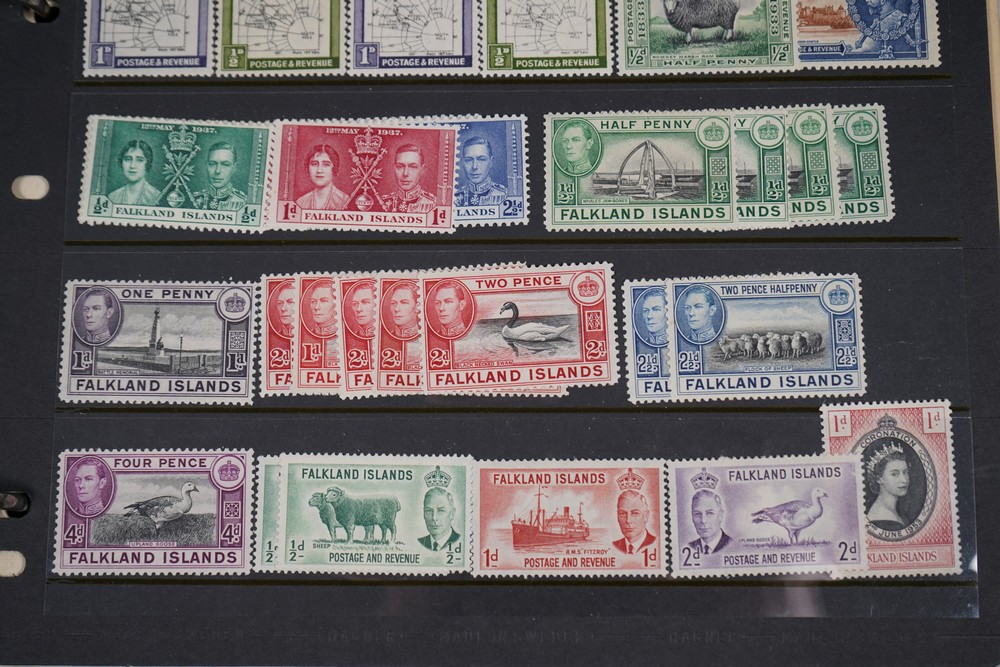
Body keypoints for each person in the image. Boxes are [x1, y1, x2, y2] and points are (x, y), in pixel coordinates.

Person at [193, 141, 247, 211]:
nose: (217, 171)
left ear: (234, 168)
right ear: (206, 165)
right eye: (212, 164)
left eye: (225, 165)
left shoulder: (244, 202)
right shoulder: (194, 199)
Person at [383, 144, 436, 213]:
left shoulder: (434, 204)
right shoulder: (382, 202)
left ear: (422, 170)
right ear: (394, 168)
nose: (405, 173)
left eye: (413, 167)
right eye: (400, 166)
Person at [866, 450, 911, 531]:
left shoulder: (896, 511)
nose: (904, 480)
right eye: (894, 474)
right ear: (879, 478)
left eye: (905, 472)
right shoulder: (881, 520)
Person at [455, 137, 507, 206]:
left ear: (491, 162)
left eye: (481, 159)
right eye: (468, 160)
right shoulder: (456, 197)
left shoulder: (505, 195)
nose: (474, 167)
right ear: (462, 163)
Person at [295, 144, 350, 210]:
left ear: (334, 168)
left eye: (326, 165)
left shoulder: (345, 201)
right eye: (314, 164)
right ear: (308, 167)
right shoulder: (301, 202)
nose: (319, 170)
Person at [107, 140, 162, 206]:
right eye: (127, 159)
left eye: (139, 160)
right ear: (121, 163)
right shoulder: (113, 197)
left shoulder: (157, 197)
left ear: (147, 164)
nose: (132, 166)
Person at [612, 490, 657, 555]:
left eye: (635, 513)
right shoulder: (614, 546)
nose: (628, 520)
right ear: (617, 516)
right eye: (622, 514)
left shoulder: (656, 543)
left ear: (646, 516)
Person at [687, 489, 731, 555]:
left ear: (721, 515)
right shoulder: (690, 546)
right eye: (697, 514)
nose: (703, 521)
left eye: (709, 513)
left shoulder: (731, 545)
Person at [418, 487, 461, 552]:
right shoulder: (419, 543)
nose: (434, 518)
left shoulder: (460, 540)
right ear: (423, 513)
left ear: (452, 514)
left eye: (441, 511)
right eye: (429, 511)